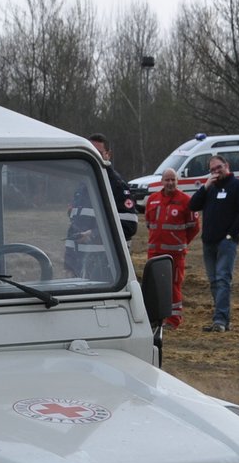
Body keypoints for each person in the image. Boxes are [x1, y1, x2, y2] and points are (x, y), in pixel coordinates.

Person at [188, 154, 239, 333]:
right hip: (208, 242)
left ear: (227, 166)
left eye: (219, 168)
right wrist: (205, 186)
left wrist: (231, 235)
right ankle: (222, 318)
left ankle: (220, 320)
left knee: (223, 279)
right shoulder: (211, 189)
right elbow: (193, 206)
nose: (216, 172)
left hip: (227, 242)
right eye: (212, 170)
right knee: (214, 282)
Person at [65, 133, 137, 278]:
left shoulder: (116, 186)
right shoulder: (84, 184)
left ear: (108, 155)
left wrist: (94, 235)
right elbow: (74, 226)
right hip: (80, 265)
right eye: (90, 153)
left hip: (106, 268)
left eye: (98, 153)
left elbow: (129, 226)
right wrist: (69, 263)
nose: (94, 157)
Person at [144, 168, 199, 328]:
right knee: (155, 284)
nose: (170, 183)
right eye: (167, 180)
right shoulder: (153, 199)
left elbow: (194, 228)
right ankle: (155, 317)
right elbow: (149, 223)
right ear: (161, 181)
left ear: (177, 181)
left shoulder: (186, 201)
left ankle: (174, 320)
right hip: (154, 252)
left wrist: (180, 243)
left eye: (173, 180)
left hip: (175, 254)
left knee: (174, 285)